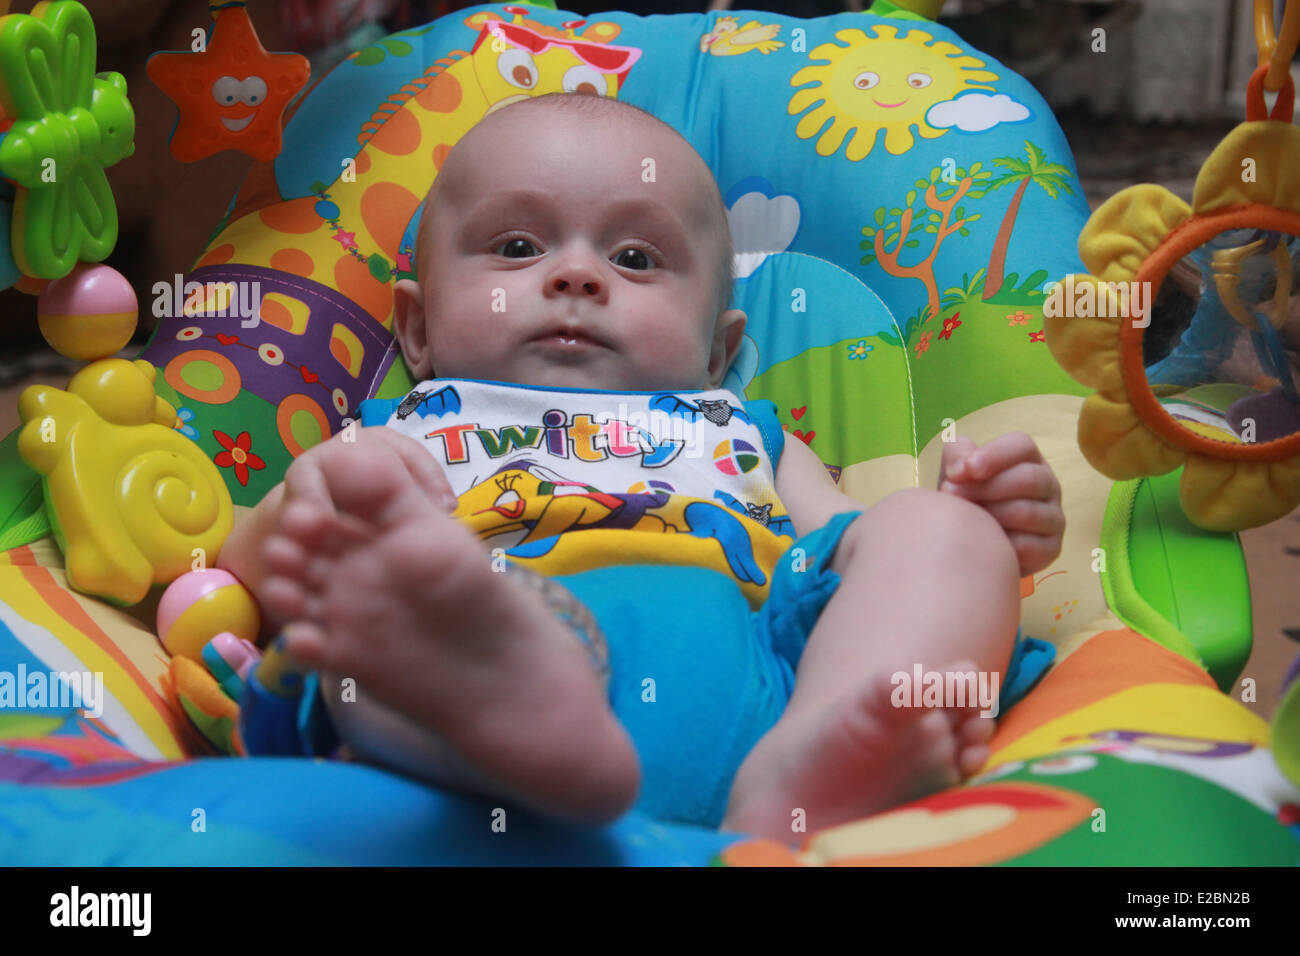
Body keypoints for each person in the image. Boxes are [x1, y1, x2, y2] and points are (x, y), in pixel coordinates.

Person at [218, 92, 1065, 842]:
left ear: (717, 353)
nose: (578, 275)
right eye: (517, 245)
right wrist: (316, 504)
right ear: (418, 331)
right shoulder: (392, 438)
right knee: (374, 617)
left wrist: (986, 524)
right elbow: (251, 566)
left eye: (634, 259)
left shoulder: (743, 431)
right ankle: (518, 714)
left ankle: (827, 756)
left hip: (757, 680)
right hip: (468, 655)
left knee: (934, 532)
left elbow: (852, 555)